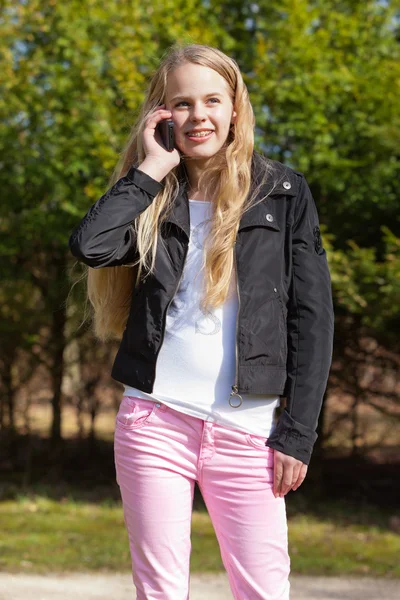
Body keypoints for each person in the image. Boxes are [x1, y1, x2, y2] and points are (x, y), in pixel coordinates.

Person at [68, 43, 334, 600]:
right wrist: (149, 168)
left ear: (235, 107)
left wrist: (298, 434)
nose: (199, 116)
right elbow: (91, 247)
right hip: (153, 424)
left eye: (212, 100)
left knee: (263, 591)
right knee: (160, 592)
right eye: (182, 104)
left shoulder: (282, 194)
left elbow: (313, 322)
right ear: (161, 115)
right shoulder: (154, 195)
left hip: (250, 431)